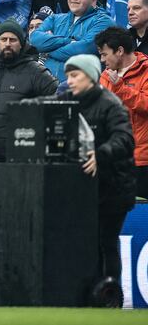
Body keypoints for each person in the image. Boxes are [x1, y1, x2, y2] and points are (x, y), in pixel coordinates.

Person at [60, 55, 136, 294]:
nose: (69, 81)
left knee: (106, 242)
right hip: (81, 187)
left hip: (113, 188)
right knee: (85, 244)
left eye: (75, 75)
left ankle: (109, 293)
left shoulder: (111, 104)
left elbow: (125, 139)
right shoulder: (65, 101)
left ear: (91, 76)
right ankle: (86, 293)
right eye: (68, 76)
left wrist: (100, 155)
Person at [0, 21, 59, 198]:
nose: (8, 43)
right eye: (3, 39)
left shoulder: (36, 72)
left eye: (13, 39)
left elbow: (60, 101)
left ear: (22, 43)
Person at [30, 0, 115, 81]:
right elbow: (34, 39)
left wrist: (46, 49)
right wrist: (68, 41)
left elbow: (82, 50)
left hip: (79, 89)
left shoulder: (104, 22)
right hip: (44, 87)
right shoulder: (55, 19)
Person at [96, 27, 148, 199]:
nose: (102, 60)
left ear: (119, 51)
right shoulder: (105, 76)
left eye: (104, 54)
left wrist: (120, 88)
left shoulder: (146, 70)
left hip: (142, 160)